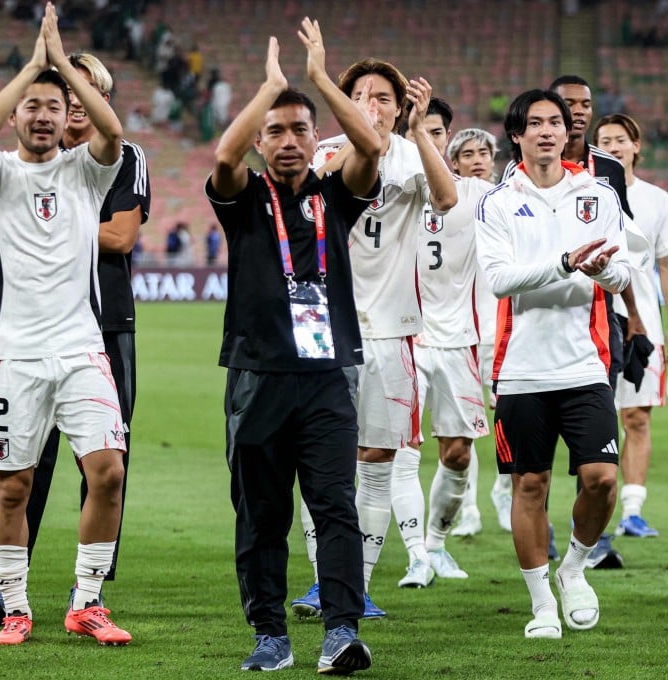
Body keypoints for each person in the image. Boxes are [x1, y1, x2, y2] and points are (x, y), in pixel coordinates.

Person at [206, 19, 380, 673]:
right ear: (259, 140)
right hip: (258, 374)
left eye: (298, 129)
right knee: (262, 514)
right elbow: (223, 158)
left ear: (316, 141)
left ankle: (340, 632)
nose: (286, 141)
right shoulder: (244, 197)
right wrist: (272, 87)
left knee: (336, 506)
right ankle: (270, 635)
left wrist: (318, 81)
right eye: (274, 131)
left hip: (328, 375)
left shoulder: (336, 197)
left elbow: (370, 144)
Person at [0, 49, 151, 627]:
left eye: (56, 106)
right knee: (15, 485)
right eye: (33, 107)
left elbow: (113, 131)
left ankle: (87, 601)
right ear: (16, 116)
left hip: (81, 349)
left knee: (109, 472)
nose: (46, 115)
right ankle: (16, 607)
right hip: (15, 355)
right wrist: (29, 72)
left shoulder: (85, 171)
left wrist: (65, 73)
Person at [291, 55, 457, 618]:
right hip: (323, 327)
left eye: (385, 96)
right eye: (362, 95)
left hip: (392, 330)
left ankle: (357, 586)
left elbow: (448, 199)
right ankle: (322, 582)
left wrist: (418, 133)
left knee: (378, 459)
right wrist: (360, 141)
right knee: (321, 461)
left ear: (401, 105)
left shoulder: (414, 154)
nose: (373, 105)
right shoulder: (322, 153)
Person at [476, 88, 630, 639]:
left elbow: (622, 275)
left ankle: (574, 570)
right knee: (531, 486)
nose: (546, 131)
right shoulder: (496, 202)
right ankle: (541, 604)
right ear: (516, 135)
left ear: (568, 133)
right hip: (520, 369)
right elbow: (498, 280)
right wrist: (566, 262)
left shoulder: (597, 195)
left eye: (554, 123)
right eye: (534, 123)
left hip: (585, 364)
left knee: (602, 480)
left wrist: (601, 270)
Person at [389, 104, 491, 586]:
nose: (423, 141)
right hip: (405, 336)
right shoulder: (392, 190)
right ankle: (415, 555)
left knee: (458, 454)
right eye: (416, 134)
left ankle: (436, 544)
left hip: (460, 342)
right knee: (403, 450)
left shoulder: (480, 194)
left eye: (433, 133)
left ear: (444, 139)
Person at [594, 113, 668, 538]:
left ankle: (633, 510)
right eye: (603, 140)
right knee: (596, 419)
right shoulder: (584, 193)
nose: (611, 146)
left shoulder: (656, 198)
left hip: (641, 323)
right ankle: (597, 512)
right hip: (592, 320)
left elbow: (667, 262)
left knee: (637, 418)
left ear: (635, 146)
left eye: (619, 139)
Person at [444, 127, 515, 537]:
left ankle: (503, 492)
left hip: (503, 331)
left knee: (509, 422)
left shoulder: (509, 202)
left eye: (483, 152)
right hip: (461, 333)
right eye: (466, 153)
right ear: (453, 162)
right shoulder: (447, 204)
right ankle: (468, 509)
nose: (476, 159)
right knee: (465, 431)